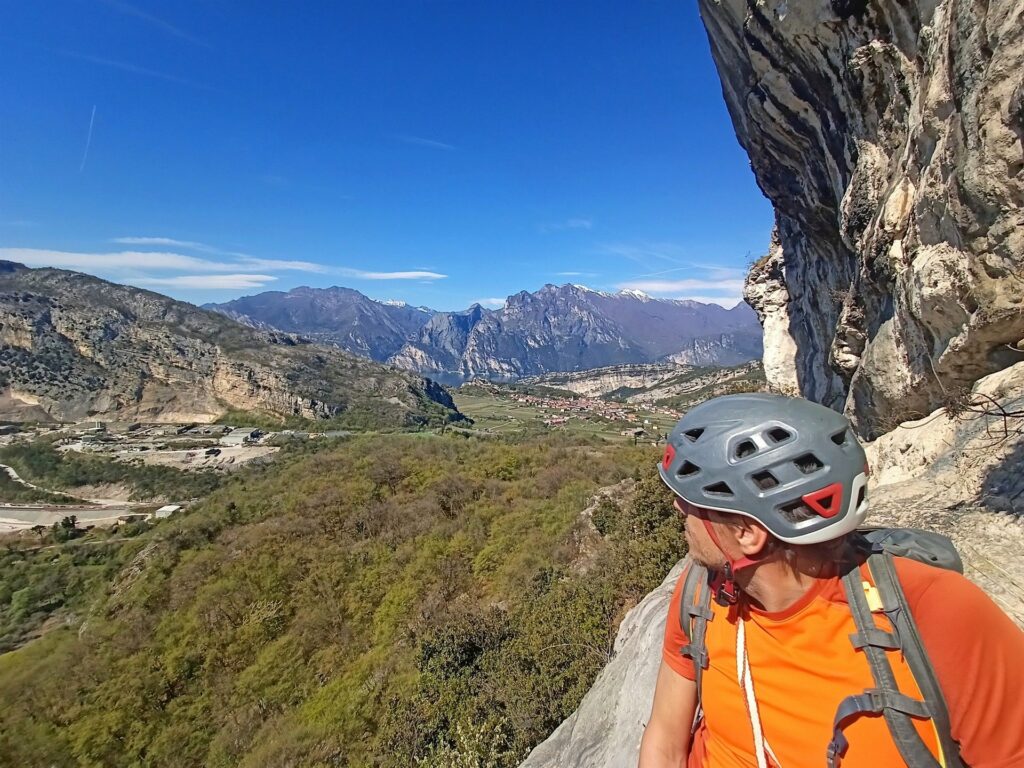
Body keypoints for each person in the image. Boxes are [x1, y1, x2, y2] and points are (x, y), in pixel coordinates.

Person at [638, 393, 1024, 768]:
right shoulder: (702, 595)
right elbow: (666, 742)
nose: (678, 507)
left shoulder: (936, 610)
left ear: (746, 533)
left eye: (693, 504)